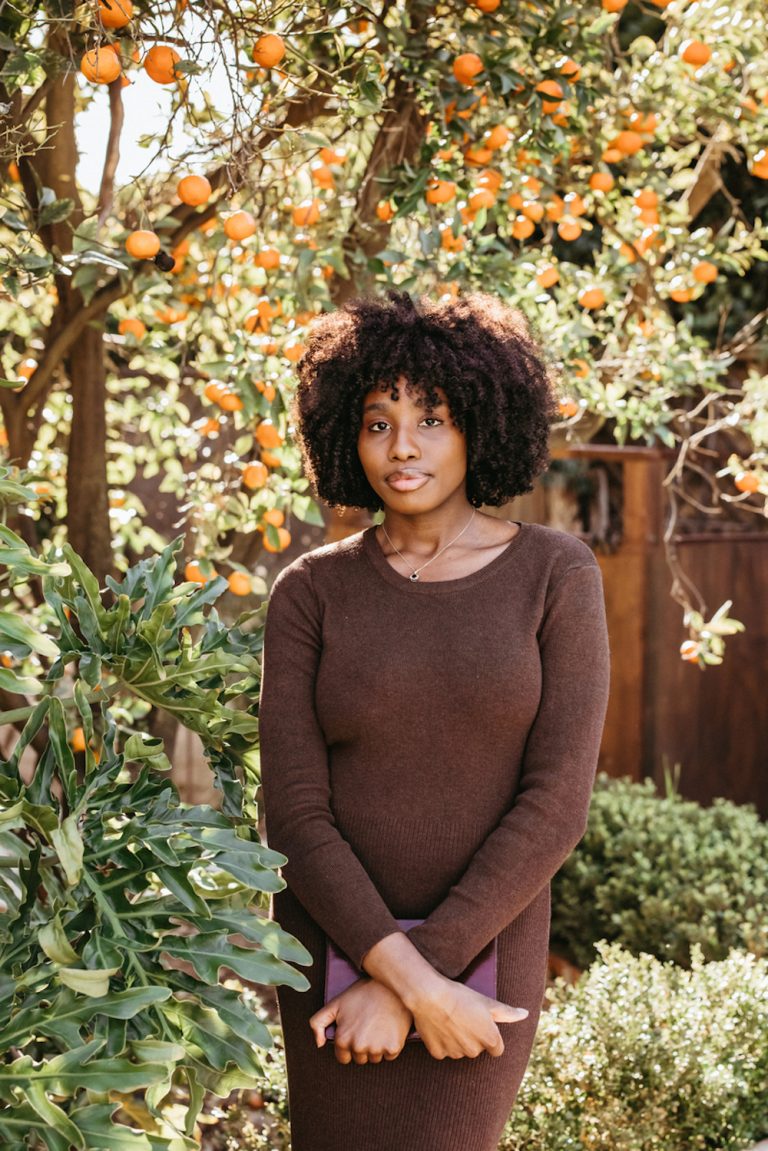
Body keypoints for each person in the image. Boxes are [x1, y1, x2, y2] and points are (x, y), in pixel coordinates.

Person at [258, 290, 610, 1151]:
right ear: (346, 431)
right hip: (335, 947)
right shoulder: (310, 591)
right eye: (377, 422)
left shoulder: (555, 574)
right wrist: (397, 971)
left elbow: (556, 804)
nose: (402, 446)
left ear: (479, 425)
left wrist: (418, 981)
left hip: (485, 951)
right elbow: (295, 818)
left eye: (431, 418)